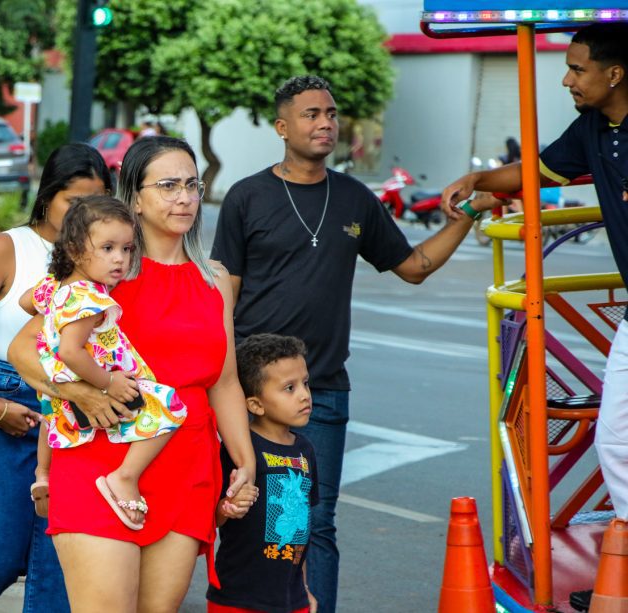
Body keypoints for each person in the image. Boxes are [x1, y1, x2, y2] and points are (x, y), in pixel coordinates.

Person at [210, 75, 495, 613]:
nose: (325, 123)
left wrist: (470, 214)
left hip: (319, 391)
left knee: (311, 524)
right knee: (239, 513)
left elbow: (414, 266)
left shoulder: (354, 199)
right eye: (311, 114)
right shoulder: (248, 196)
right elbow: (226, 297)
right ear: (282, 126)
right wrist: (223, 383)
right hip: (246, 397)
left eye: (331, 114)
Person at [9, 135, 257, 612]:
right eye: (167, 185)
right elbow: (24, 349)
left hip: (187, 466)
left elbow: (223, 380)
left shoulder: (215, 279)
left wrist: (244, 462)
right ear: (135, 197)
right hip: (99, 458)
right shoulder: (107, 269)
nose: (184, 197)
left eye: (192, 184)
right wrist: (84, 392)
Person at [440, 23, 628, 612]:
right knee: (617, 441)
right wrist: (476, 183)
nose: (567, 79)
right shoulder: (595, 128)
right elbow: (534, 175)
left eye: (577, 69)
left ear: (613, 73)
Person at [0, 142, 111, 612]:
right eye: (73, 202)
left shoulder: (108, 258)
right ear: (48, 195)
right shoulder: (9, 247)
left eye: (95, 202)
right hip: (14, 403)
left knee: (57, 562)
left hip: (81, 412)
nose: (83, 214)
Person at [21, 195, 188, 530]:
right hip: (88, 377)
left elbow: (27, 303)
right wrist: (107, 382)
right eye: (108, 248)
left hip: (55, 380)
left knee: (50, 418)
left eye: (126, 249)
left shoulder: (56, 286)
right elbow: (72, 351)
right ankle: (125, 477)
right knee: (172, 407)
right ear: (74, 249)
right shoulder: (90, 298)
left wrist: (52, 316)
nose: (120, 259)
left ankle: (43, 474)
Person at [208, 333, 316, 613]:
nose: (305, 395)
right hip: (237, 598)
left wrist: (304, 589)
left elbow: (303, 530)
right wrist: (228, 508)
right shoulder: (240, 450)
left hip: (292, 600)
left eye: (305, 383)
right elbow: (213, 519)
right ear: (255, 404)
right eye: (289, 388)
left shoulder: (305, 450)